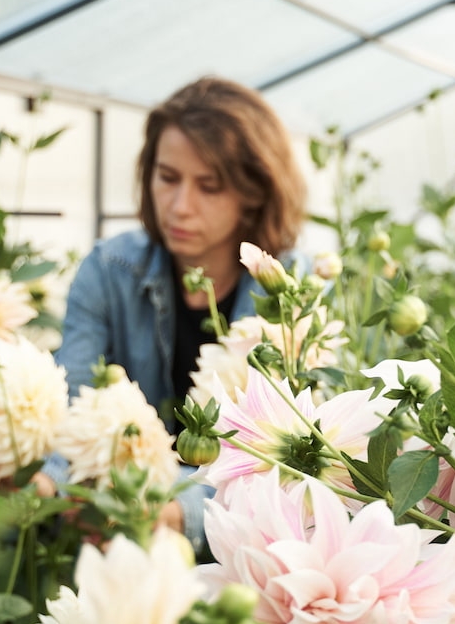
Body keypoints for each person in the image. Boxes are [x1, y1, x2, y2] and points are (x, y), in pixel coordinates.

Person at [51, 77, 308, 553]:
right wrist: (47, 486)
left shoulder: (291, 290)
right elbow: (72, 409)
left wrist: (175, 513)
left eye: (209, 186)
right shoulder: (109, 271)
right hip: (112, 526)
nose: (180, 206)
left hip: (244, 548)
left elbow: (286, 464)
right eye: (168, 178)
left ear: (254, 192)